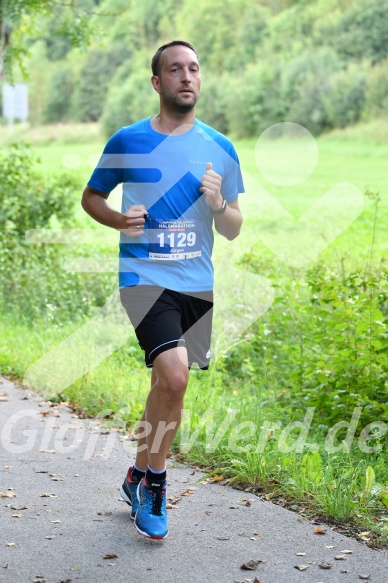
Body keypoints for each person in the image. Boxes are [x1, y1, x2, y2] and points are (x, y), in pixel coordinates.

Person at [81, 40, 244, 540]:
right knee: (173, 378)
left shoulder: (221, 147)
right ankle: (155, 484)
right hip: (144, 278)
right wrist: (117, 220)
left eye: (194, 68)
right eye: (175, 70)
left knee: (164, 385)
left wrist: (218, 203)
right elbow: (92, 197)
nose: (187, 77)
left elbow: (235, 226)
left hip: (197, 283)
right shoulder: (128, 141)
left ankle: (135, 473)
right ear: (158, 82)